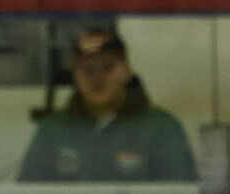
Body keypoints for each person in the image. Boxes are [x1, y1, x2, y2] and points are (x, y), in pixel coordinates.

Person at [18, 29, 196, 182]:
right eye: (88, 70)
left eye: (107, 67)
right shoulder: (52, 130)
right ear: (75, 77)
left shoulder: (162, 129)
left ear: (126, 71)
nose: (98, 78)